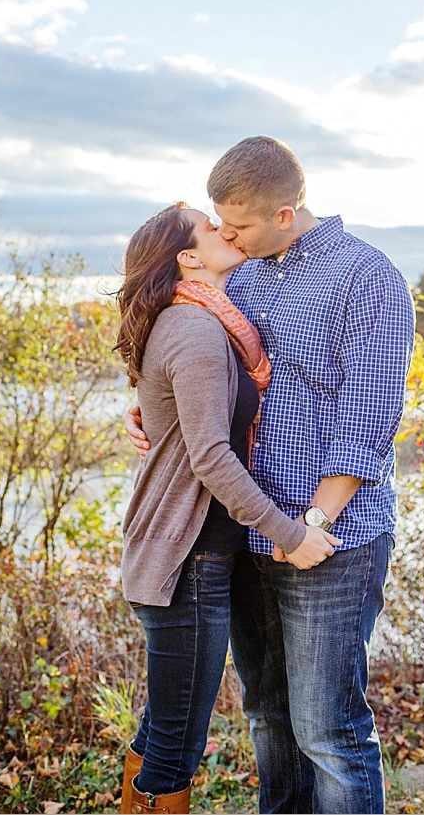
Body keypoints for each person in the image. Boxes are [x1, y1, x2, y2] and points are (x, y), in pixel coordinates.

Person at [125, 137, 416, 815]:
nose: (225, 233)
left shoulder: (366, 276)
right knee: (268, 719)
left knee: (329, 732)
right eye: (218, 222)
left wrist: (308, 525)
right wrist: (149, 412)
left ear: (286, 212)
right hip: (247, 536)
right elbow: (200, 378)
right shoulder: (246, 277)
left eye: (239, 224)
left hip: (328, 539)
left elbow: (367, 422)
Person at [113, 201, 341, 815]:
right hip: (187, 561)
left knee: (166, 728)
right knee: (175, 745)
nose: (225, 229)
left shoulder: (205, 318)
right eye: (210, 226)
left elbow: (185, 424)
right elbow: (211, 457)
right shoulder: (196, 329)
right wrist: (289, 532)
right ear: (189, 258)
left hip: (192, 554)